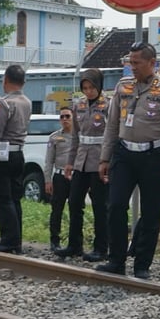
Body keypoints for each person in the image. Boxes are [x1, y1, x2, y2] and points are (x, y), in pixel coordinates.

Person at [97, 42, 160, 278]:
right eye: (130, 62)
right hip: (124, 154)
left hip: (154, 155)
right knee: (115, 205)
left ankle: (142, 265)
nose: (132, 67)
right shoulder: (123, 86)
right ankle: (116, 260)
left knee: (151, 211)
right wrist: (104, 158)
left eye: (136, 63)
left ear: (151, 63)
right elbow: (112, 124)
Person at [56, 68, 110, 263]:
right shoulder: (78, 106)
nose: (88, 92)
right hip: (81, 160)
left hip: (99, 161)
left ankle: (101, 247)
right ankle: (74, 244)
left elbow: (112, 136)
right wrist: (70, 162)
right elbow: (75, 137)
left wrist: (109, 162)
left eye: (91, 87)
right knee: (75, 201)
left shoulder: (108, 106)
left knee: (100, 205)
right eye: (85, 88)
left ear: (99, 86)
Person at [0, 64, 32, 253]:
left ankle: (8, 240)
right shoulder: (26, 102)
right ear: (23, 82)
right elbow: (9, 112)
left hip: (2, 156)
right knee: (14, 198)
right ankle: (16, 240)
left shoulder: (2, 104)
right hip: (18, 154)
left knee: (2, 199)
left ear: (5, 79)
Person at [44, 107, 76, 253]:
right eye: (62, 117)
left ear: (73, 117)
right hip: (59, 176)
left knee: (76, 209)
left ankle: (74, 242)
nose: (65, 119)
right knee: (57, 209)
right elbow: (49, 160)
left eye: (67, 116)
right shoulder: (54, 137)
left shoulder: (79, 136)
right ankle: (54, 241)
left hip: (76, 176)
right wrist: (47, 180)